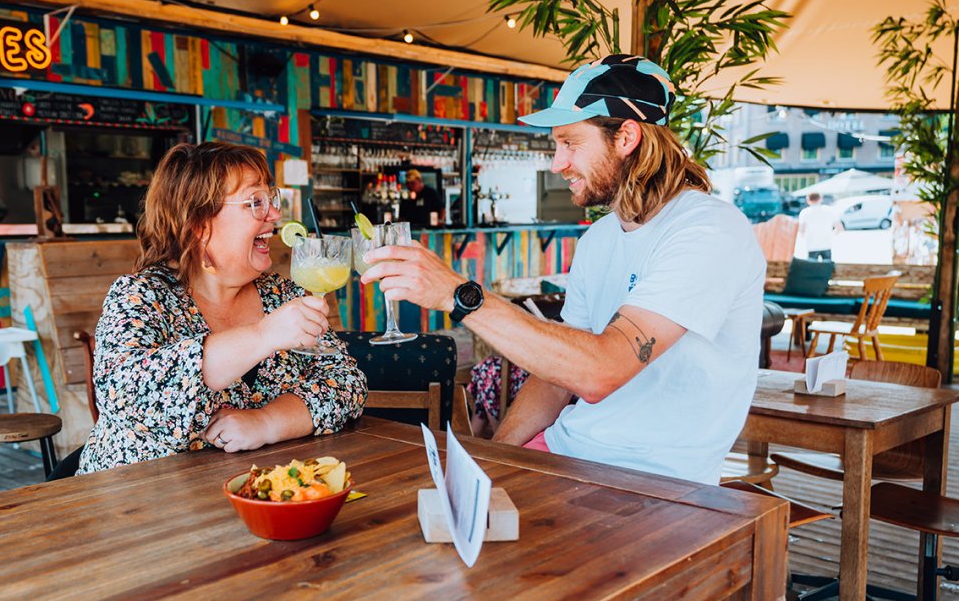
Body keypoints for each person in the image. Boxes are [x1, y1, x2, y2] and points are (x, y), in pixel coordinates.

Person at [362, 54, 765, 484]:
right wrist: (489, 465)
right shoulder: (600, 239)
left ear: (626, 136)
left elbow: (600, 372)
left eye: (570, 143)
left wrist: (459, 295)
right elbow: (556, 380)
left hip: (652, 482)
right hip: (566, 452)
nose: (557, 164)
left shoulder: (708, 230)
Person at [78, 142, 367, 474]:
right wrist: (263, 335)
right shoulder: (141, 296)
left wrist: (267, 422)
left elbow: (346, 382)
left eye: (269, 198)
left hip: (253, 497)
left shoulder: (282, 293)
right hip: (139, 507)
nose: (274, 214)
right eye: (254, 202)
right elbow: (131, 395)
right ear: (200, 224)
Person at [797, 191, 837, 261]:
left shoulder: (805, 212)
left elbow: (802, 230)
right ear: (821, 199)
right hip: (827, 244)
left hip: (812, 245)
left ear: (808, 200)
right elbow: (839, 228)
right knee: (827, 268)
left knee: (812, 269)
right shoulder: (829, 210)